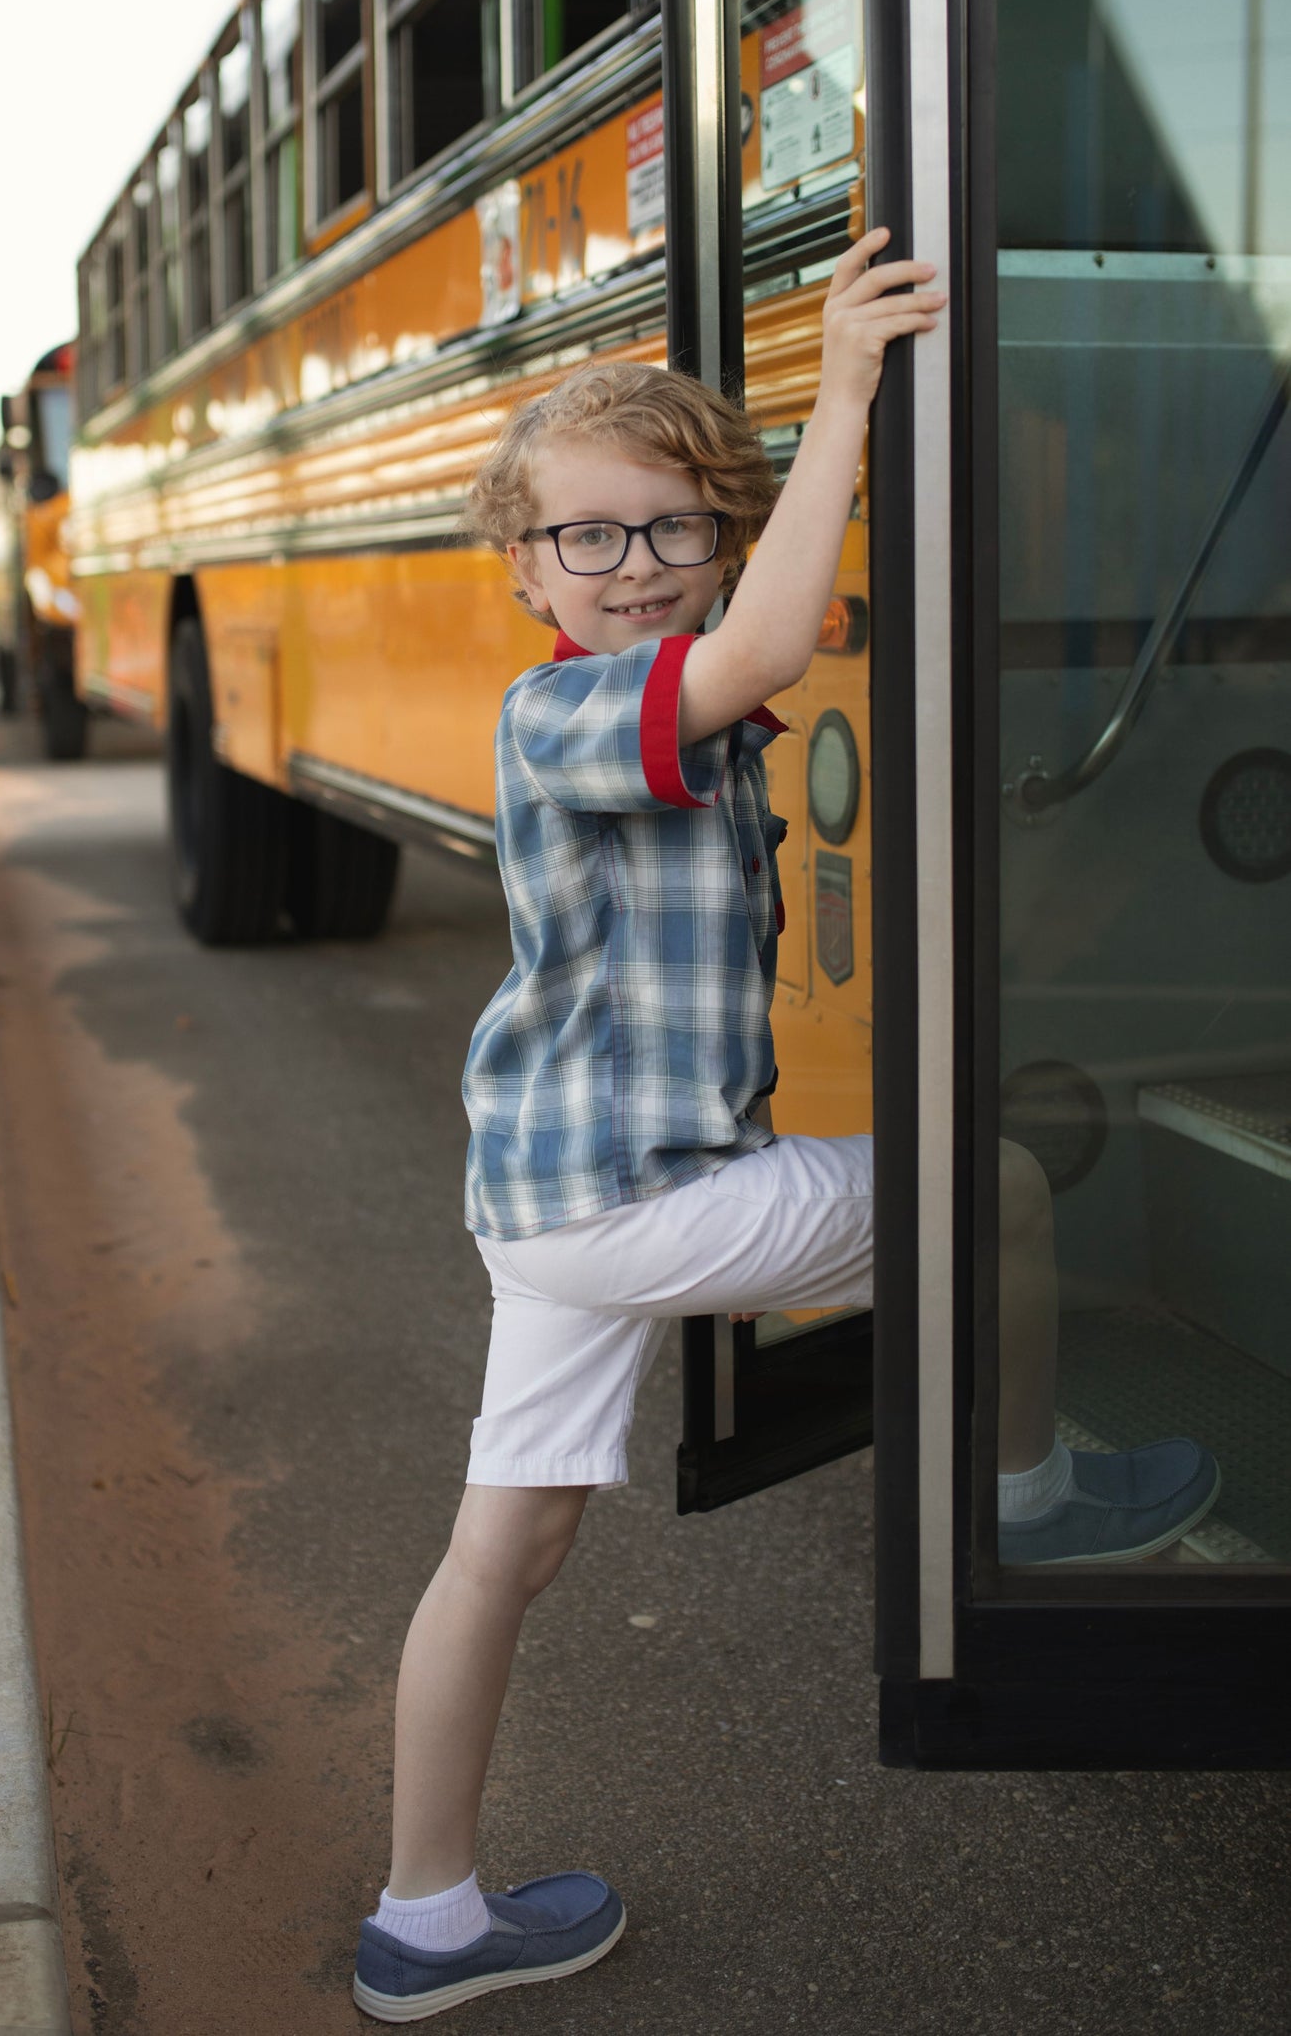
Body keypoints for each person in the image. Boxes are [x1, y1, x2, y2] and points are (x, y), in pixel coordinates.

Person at [351, 228, 1220, 2023]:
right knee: (991, 1189)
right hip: (637, 1195)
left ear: (715, 540)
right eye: (585, 536)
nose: (634, 567)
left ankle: (420, 1921)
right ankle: (1030, 1497)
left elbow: (789, 627)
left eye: (674, 530)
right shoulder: (565, 712)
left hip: (553, 1201)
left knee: (501, 1550)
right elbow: (758, 648)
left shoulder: (668, 678)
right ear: (522, 571)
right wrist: (838, 393)